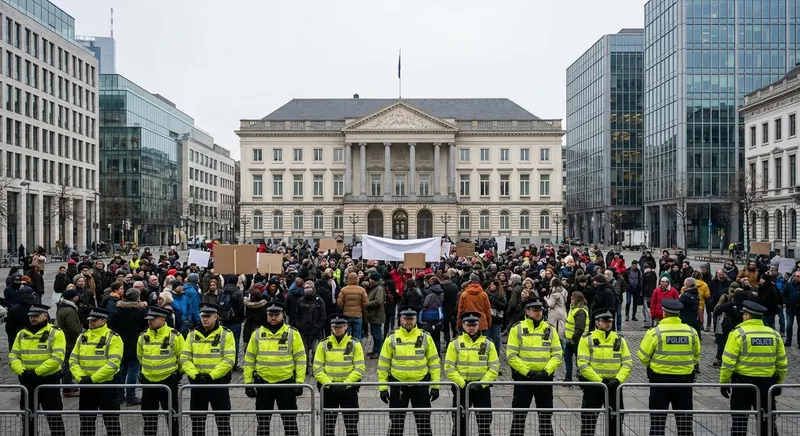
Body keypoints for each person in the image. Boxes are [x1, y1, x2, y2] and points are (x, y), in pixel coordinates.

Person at [720, 300, 787, 436]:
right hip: (767, 384)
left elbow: (728, 362)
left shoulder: (738, 333)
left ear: (747, 315)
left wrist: (724, 382)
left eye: (744, 314)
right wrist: (778, 383)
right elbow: (781, 363)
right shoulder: (773, 334)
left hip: (742, 384)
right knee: (767, 423)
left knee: (739, 423)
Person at [637, 299, 700, 436]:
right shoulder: (691, 332)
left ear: (664, 313)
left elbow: (643, 356)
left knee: (657, 423)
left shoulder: (655, 332)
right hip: (684, 382)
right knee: (685, 423)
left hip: (660, 382)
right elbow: (696, 356)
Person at [243, 301, 306, 436]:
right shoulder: (257, 334)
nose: (273, 318)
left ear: (283, 315)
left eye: (276, 315)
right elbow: (249, 360)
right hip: (263, 383)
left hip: (286, 383)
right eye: (270, 314)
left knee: (290, 422)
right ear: (266, 315)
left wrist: (299, 382)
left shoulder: (292, 333)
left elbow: (300, 359)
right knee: (263, 423)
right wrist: (248, 383)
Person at [378, 305, 441, 436]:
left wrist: (435, 386)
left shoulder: (425, 337)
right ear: (400, 319)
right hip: (398, 385)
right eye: (406, 318)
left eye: (411, 319)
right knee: (396, 424)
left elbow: (434, 363)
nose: (408, 321)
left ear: (416, 319)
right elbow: (383, 364)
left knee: (424, 424)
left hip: (421, 385)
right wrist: (383, 388)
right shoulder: (392, 337)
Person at [506, 298, 563, 436]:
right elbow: (511, 355)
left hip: (544, 379)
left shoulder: (550, 329)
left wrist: (546, 371)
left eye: (540, 310)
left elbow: (557, 354)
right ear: (527, 311)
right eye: (535, 310)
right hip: (523, 379)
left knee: (545, 417)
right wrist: (527, 372)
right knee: (519, 416)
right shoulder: (517, 328)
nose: (538, 313)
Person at [8, 303, 66, 436]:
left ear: (45, 316)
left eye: (36, 316)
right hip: (27, 381)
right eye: (31, 316)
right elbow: (13, 355)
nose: (32, 318)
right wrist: (22, 371)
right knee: (28, 416)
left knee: (54, 416)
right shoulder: (22, 334)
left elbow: (57, 358)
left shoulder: (56, 333)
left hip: (48, 381)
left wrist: (36, 372)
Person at [180, 303, 235, 436]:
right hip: (198, 384)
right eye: (203, 316)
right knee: (197, 422)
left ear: (215, 317)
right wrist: (195, 375)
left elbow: (229, 360)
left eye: (208, 316)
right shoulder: (192, 334)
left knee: (223, 421)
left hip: (218, 384)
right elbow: (185, 358)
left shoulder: (226, 334)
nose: (205, 319)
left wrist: (212, 375)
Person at [69, 307, 123, 436]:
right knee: (86, 423)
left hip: (106, 386)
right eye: (90, 320)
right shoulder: (82, 337)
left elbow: (113, 364)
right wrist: (80, 377)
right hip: (86, 386)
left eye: (94, 320)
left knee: (112, 423)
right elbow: (73, 360)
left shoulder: (113, 338)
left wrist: (92, 379)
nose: (91, 323)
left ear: (103, 321)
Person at [577, 308, 632, 436]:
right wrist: (600, 380)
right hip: (594, 386)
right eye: (604, 321)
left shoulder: (619, 339)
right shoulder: (587, 339)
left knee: (616, 422)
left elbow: (627, 363)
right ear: (597, 323)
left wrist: (618, 379)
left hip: (614, 387)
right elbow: (583, 364)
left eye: (610, 321)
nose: (608, 324)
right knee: (588, 422)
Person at [444, 312, 499, 436]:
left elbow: (494, 367)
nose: (472, 328)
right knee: (459, 425)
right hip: (461, 389)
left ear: (478, 325)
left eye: (474, 325)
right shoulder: (455, 343)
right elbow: (449, 367)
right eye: (468, 325)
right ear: (463, 325)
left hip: (481, 389)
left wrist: (481, 384)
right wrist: (463, 384)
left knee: (484, 424)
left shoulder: (488, 343)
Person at [314, 314, 366, 436]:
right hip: (329, 390)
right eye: (335, 327)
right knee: (328, 426)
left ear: (346, 327)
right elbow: (317, 368)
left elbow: (359, 368)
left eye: (340, 326)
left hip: (348, 390)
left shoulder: (354, 344)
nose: (337, 329)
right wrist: (329, 384)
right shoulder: (323, 344)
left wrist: (345, 383)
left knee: (352, 426)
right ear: (331, 328)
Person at [137, 306, 184, 436]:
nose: (149, 322)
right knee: (149, 418)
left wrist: (178, 373)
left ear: (162, 320)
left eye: (153, 319)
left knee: (172, 416)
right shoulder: (143, 336)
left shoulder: (174, 335)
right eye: (148, 319)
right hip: (149, 382)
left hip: (168, 381)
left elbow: (182, 357)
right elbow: (140, 356)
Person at [564, 291, 589, 382]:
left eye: (572, 298)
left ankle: (581, 379)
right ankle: (568, 377)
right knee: (567, 359)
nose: (571, 300)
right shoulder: (573, 309)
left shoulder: (580, 311)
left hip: (577, 341)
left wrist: (574, 338)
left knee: (579, 361)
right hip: (569, 340)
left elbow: (580, 328)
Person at [337, 272, 368, 342]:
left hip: (346, 315)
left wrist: (344, 308)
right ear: (357, 279)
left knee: (346, 335)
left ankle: (346, 349)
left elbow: (339, 302)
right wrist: (361, 310)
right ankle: (356, 350)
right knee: (357, 335)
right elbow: (366, 303)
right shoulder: (362, 290)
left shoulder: (343, 290)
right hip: (358, 315)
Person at [365, 271, 386, 358]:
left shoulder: (379, 288)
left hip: (376, 314)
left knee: (377, 334)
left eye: (370, 278)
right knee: (374, 333)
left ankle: (378, 351)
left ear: (374, 280)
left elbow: (378, 301)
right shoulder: (375, 287)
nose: (369, 280)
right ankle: (375, 349)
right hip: (373, 314)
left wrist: (367, 304)